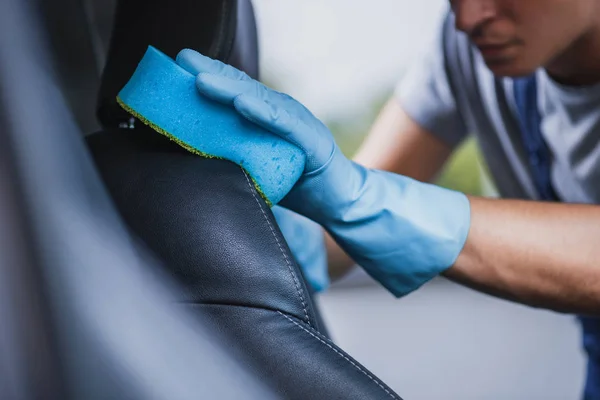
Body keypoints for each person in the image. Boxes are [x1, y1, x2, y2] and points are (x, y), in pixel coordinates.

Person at [175, 0, 600, 397]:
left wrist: (365, 201)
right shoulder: (469, 51)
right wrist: (243, 222)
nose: (468, 18)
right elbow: (339, 229)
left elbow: (369, 202)